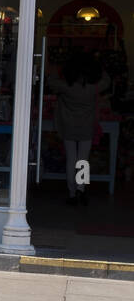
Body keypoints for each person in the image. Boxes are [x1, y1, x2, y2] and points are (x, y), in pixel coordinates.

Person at [49, 51, 110, 206]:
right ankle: (80, 190)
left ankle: (71, 193)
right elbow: (106, 80)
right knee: (83, 160)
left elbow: (51, 81)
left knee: (71, 159)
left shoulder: (65, 87)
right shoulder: (93, 88)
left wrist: (59, 68)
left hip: (68, 126)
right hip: (86, 127)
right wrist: (99, 65)